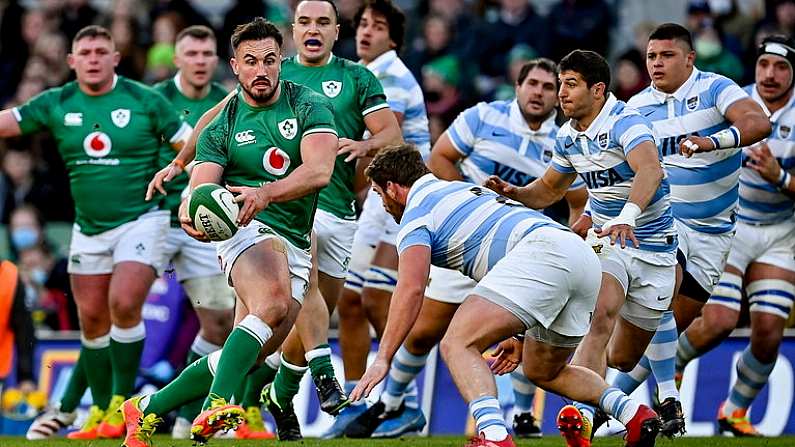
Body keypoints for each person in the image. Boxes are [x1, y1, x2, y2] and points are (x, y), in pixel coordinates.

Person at [147, 1, 402, 440]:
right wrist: (185, 181)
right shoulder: (241, 100)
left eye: (322, 22)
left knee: (264, 340)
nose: (313, 30)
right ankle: (224, 405)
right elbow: (209, 133)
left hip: (326, 209)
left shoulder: (339, 84)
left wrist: (363, 147)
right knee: (272, 304)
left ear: (335, 30)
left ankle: (162, 405)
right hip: (252, 218)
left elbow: (343, 160)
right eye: (305, 21)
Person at [119, 18, 339, 447]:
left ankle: (144, 410)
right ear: (235, 67)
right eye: (251, 62)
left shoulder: (309, 105)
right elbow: (204, 182)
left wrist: (267, 192)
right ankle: (214, 406)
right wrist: (192, 206)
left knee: (255, 351)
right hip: (242, 227)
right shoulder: (222, 126)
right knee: (273, 302)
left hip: (293, 234)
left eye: (270, 61)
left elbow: (320, 171)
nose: (262, 70)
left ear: (282, 63)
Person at [350, 144, 660, 447]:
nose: (382, 203)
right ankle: (634, 413)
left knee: (458, 342)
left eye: (378, 194)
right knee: (544, 370)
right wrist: (520, 331)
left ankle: (495, 436)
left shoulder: (416, 215)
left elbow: (411, 288)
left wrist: (383, 359)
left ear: (391, 187)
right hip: (577, 255)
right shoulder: (465, 190)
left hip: (541, 255)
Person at [344, 58, 587, 440]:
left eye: (546, 87)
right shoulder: (483, 117)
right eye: (532, 84)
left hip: (520, 248)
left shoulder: (562, 142)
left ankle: (516, 419)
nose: (538, 92)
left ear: (557, 97)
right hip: (463, 238)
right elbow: (440, 157)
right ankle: (392, 405)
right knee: (425, 332)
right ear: (518, 86)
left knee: (483, 337)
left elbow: (577, 198)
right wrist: (465, 202)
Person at [0, 25, 191, 441]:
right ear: (71, 62)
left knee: (123, 303)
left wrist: (197, 186)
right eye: (84, 51)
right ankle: (102, 411)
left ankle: (126, 406)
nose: (92, 58)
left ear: (115, 58)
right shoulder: (57, 101)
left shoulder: (145, 100)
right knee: (92, 320)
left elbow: (189, 145)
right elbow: (7, 123)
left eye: (101, 51)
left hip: (144, 218)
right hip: (88, 228)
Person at [486, 49, 676, 447]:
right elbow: (550, 189)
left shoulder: (627, 121)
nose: (561, 94)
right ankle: (584, 421)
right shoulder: (568, 136)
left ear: (598, 89)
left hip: (654, 248)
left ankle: (625, 401)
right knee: (599, 316)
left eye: (570, 85)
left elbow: (651, 170)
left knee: (623, 356)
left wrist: (628, 214)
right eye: (561, 85)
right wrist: (515, 193)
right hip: (608, 241)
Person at [603, 23, 770, 436]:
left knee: (663, 331)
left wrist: (714, 142)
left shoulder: (716, 89)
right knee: (660, 300)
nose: (656, 64)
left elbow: (757, 122)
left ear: (689, 58)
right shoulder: (635, 107)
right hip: (665, 223)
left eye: (666, 55)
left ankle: (613, 407)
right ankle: (662, 401)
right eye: (651, 57)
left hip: (716, 234)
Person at [673, 35, 795, 437]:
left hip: (781, 233)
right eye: (764, 66)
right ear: (755, 68)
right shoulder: (734, 103)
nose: (770, 75)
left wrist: (780, 177)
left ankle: (735, 411)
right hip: (732, 225)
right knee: (720, 320)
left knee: (767, 333)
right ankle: (669, 366)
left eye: (781, 68)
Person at [150, 25, 260, 440]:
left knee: (217, 325)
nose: (199, 61)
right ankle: (94, 407)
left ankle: (184, 414)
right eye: (191, 53)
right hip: (153, 217)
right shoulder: (153, 99)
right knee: (117, 308)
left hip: (208, 222)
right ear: (176, 58)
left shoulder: (230, 100)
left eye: (206, 54)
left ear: (218, 61)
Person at [327, 0, 430, 438]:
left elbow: (381, 142)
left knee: (366, 298)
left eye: (379, 26)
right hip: (380, 196)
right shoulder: (365, 73)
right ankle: (360, 401)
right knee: (353, 301)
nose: (366, 31)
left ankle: (397, 401)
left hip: (399, 196)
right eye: (363, 23)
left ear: (394, 39)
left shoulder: (389, 76)